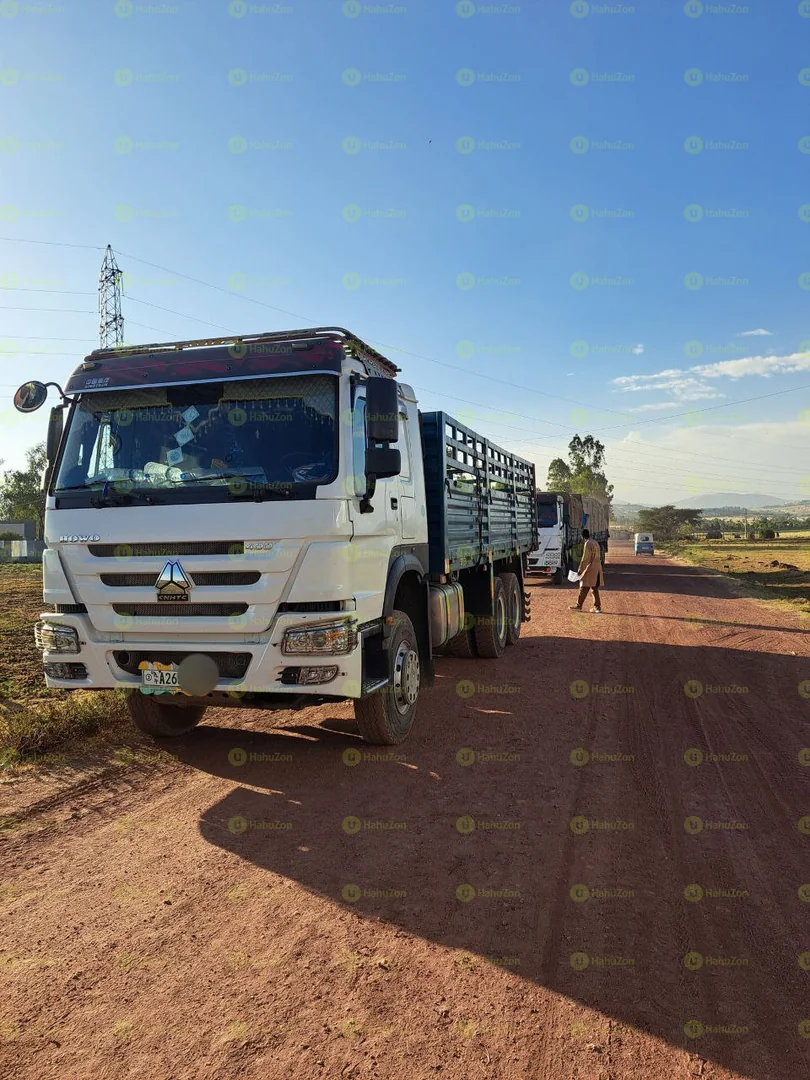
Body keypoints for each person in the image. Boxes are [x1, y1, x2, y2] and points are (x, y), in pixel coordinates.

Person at [570, 528, 604, 613]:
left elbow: (585, 558)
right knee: (594, 588)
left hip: (590, 568)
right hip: (597, 567)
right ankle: (597, 607)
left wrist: (580, 569)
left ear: (582, 536)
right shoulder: (595, 542)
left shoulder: (587, 543)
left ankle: (579, 605)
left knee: (583, 587)